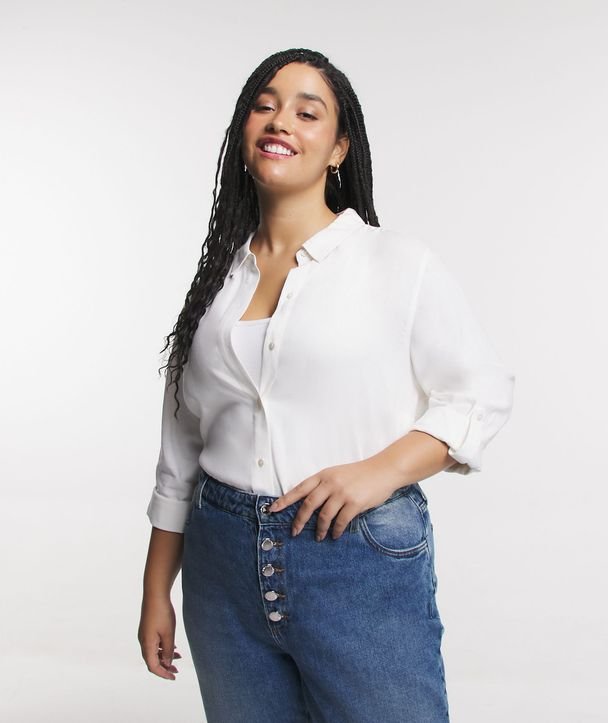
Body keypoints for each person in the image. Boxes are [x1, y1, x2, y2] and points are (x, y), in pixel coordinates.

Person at [137, 47, 515, 723]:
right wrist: (155, 587)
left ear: (338, 149)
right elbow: (182, 445)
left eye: (307, 113)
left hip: (355, 558)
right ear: (243, 134)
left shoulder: (396, 264)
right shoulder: (218, 282)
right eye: (264, 106)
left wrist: (380, 471)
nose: (280, 120)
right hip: (220, 568)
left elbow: (479, 394)